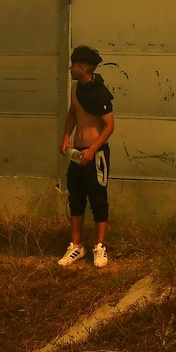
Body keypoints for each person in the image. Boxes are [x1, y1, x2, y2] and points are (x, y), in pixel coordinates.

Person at [57, 45, 115, 268]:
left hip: (95, 154)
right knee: (76, 197)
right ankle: (76, 244)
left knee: (98, 200)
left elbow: (109, 126)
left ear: (83, 68)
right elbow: (73, 112)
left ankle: (100, 246)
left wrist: (92, 150)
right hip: (77, 153)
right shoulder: (75, 89)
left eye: (73, 65)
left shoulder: (99, 92)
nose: (70, 68)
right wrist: (66, 137)